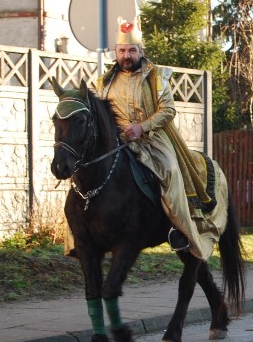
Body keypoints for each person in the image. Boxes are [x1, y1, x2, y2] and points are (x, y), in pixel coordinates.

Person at [94, 17, 222, 261]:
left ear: (141, 51)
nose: (127, 55)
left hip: (151, 139)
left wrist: (141, 127)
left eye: (132, 50)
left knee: (170, 170)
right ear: (115, 52)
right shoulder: (103, 82)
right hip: (116, 142)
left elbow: (168, 110)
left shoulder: (156, 76)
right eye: (122, 50)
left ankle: (178, 229)